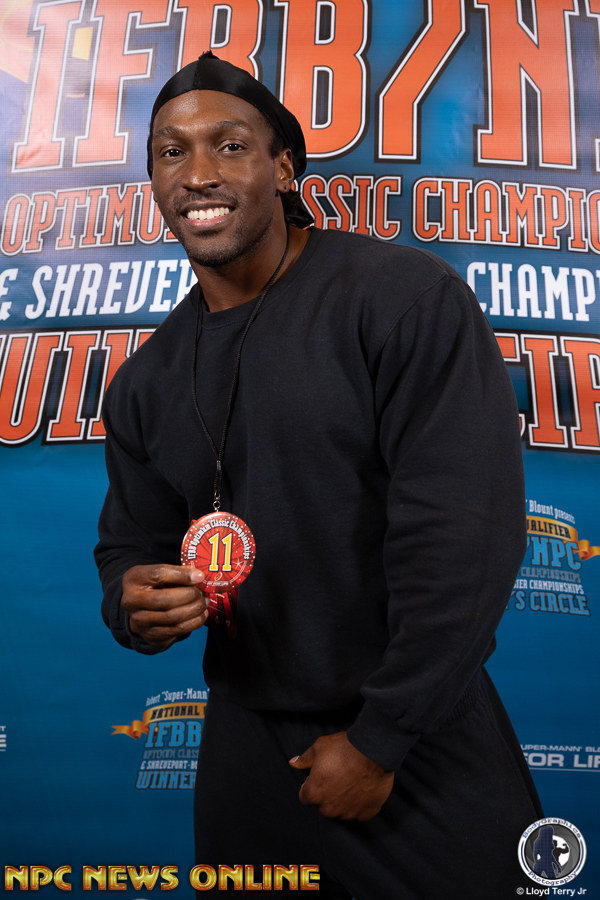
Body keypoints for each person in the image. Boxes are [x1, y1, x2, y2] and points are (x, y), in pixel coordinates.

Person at [95, 51, 543, 898]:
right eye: (171, 152)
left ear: (284, 168)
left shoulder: (401, 299)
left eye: (230, 146)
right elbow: (127, 546)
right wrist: (133, 602)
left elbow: (464, 539)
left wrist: (382, 738)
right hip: (244, 755)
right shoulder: (145, 380)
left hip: (413, 743)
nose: (198, 174)